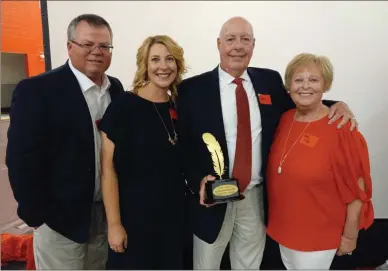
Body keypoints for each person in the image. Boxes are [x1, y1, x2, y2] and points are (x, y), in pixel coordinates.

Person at [176, 16, 357, 270]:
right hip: (212, 199)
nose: (238, 46)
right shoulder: (192, 89)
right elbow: (183, 146)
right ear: (219, 44)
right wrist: (198, 181)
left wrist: (335, 105)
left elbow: (302, 101)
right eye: (230, 39)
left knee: (248, 264)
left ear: (253, 45)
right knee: (206, 265)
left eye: (245, 39)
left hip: (256, 197)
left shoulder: (269, 81)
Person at [6, 14, 124, 269]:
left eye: (104, 46)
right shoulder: (37, 91)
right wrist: (37, 216)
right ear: (70, 46)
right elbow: (20, 159)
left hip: (104, 216)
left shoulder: (115, 89)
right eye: (87, 44)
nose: (96, 52)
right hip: (59, 219)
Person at [266, 53, 374, 269]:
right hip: (284, 230)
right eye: (298, 80)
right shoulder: (285, 119)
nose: (305, 86)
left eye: (313, 80)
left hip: (319, 236)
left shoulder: (342, 129)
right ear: (288, 86)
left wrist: (350, 236)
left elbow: (357, 190)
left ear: (325, 85)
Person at [99, 35, 187, 269]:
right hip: (134, 223)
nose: (163, 66)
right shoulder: (123, 107)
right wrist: (115, 225)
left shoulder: (178, 106)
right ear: (145, 65)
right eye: (155, 59)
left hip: (174, 222)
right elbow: (107, 169)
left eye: (170, 59)